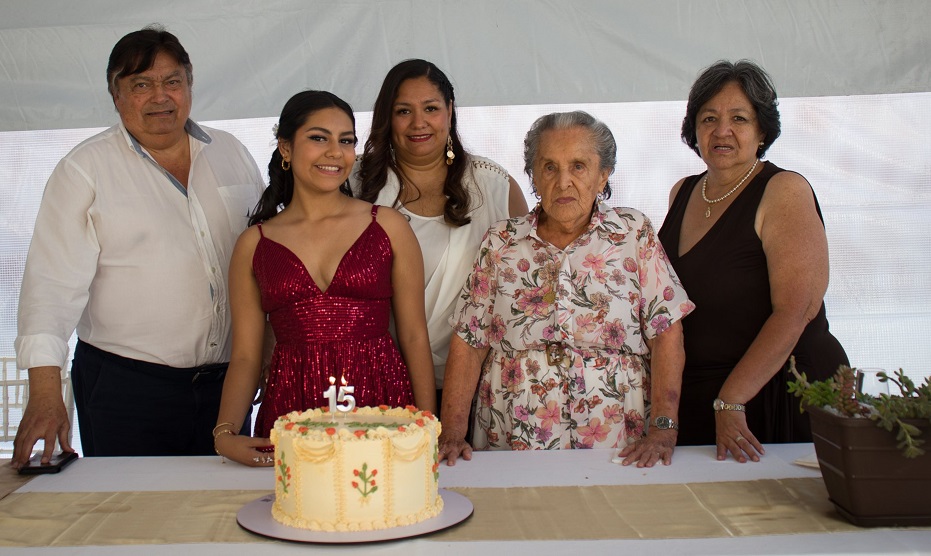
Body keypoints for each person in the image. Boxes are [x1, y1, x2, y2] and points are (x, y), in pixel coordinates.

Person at [11, 25, 265, 467]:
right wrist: (46, 393)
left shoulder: (232, 152)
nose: (160, 97)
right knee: (128, 517)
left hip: (226, 387)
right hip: (126, 389)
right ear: (115, 93)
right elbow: (49, 289)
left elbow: (266, 261)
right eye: (141, 85)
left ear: (190, 83)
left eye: (172, 81)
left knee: (220, 516)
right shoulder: (84, 170)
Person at [438, 111, 695, 468]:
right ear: (533, 176)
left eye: (578, 166)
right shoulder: (502, 242)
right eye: (549, 167)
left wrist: (664, 429)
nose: (563, 182)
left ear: (603, 174)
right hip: (513, 435)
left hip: (617, 437)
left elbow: (667, 333)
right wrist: (451, 433)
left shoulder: (633, 233)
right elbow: (469, 342)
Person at [213, 91, 436, 466]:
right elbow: (247, 355)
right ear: (285, 147)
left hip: (382, 404)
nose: (336, 152)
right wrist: (224, 434)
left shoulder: (389, 226)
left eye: (346, 140)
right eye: (319, 138)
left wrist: (430, 425)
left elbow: (414, 335)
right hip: (291, 409)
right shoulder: (253, 244)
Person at [657, 60, 849, 463]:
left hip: (776, 395)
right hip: (704, 399)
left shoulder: (784, 190)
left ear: (763, 130)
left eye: (739, 118)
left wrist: (732, 400)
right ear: (693, 129)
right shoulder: (682, 191)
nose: (721, 130)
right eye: (708, 118)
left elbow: (797, 310)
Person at [351, 59, 528, 410]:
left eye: (430, 108)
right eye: (403, 111)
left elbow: (526, 289)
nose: (419, 123)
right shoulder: (353, 182)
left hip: (476, 386)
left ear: (450, 111)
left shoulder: (494, 185)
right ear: (387, 116)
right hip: (375, 380)